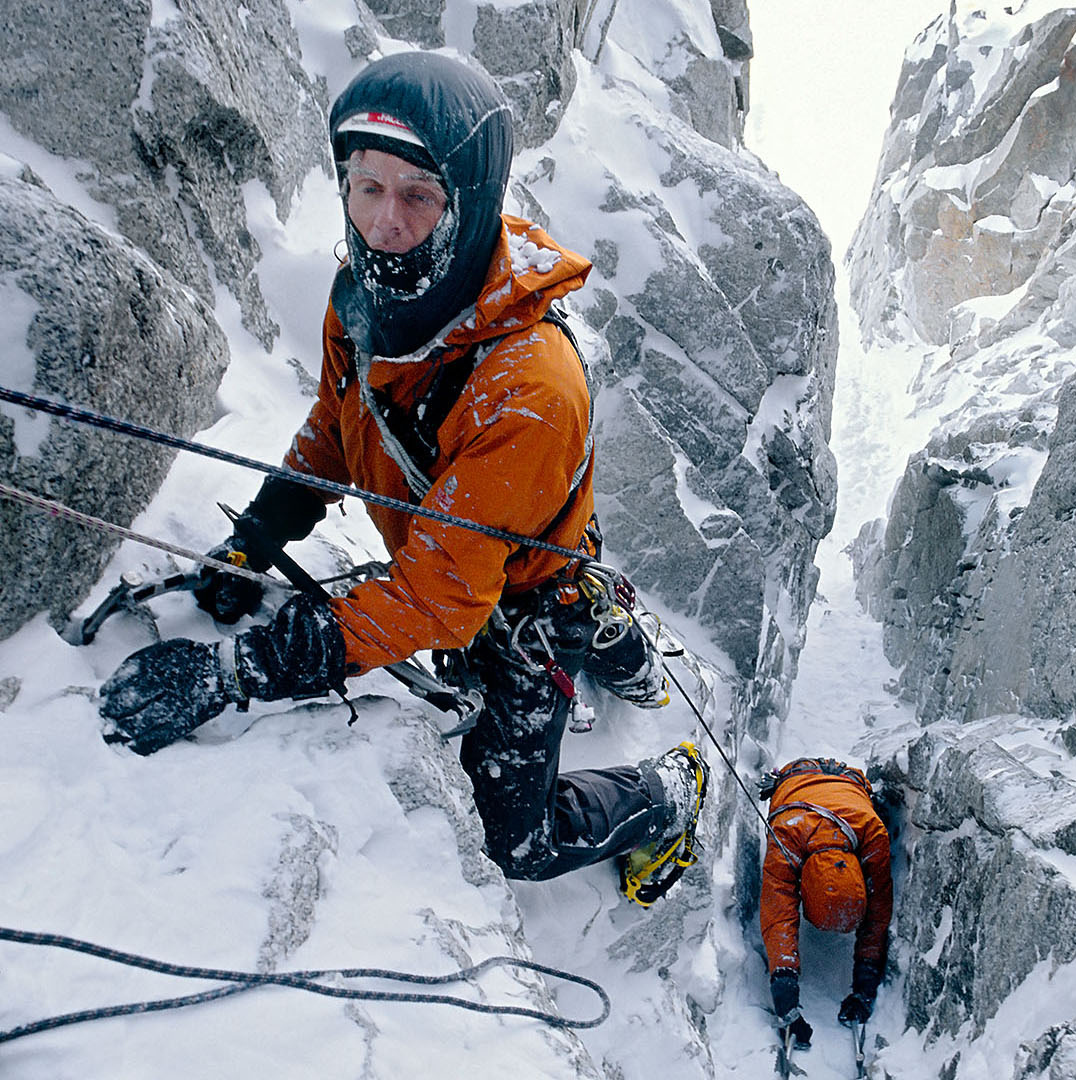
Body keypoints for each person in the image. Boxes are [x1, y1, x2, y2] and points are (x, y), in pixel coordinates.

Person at [98, 51, 700, 899]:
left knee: (516, 843)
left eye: (419, 195)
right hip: (466, 546)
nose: (385, 222)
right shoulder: (367, 298)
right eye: (365, 187)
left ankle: (667, 788)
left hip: (517, 591)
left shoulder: (528, 387)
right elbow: (340, 433)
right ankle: (618, 644)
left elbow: (437, 598)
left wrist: (231, 674)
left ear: (472, 204)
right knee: (545, 597)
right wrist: (255, 540)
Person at [757, 758, 892, 1049]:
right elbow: (778, 909)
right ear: (803, 888)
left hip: (846, 785)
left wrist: (865, 983)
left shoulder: (873, 836)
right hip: (798, 780)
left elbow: (878, 911)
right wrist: (784, 991)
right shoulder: (786, 835)